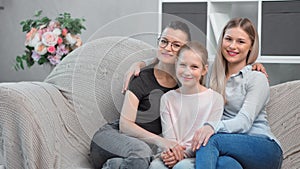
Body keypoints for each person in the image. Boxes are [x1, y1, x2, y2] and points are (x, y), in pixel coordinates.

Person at [89, 21, 191, 169]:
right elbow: (125, 125)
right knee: (141, 152)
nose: (168, 48)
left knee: (139, 159)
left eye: (176, 45)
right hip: (111, 138)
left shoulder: (184, 85)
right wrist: (162, 142)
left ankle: (113, 166)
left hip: (137, 154)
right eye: (164, 41)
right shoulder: (142, 77)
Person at [195, 17, 283, 169]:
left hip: (263, 148)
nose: (232, 46)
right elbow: (175, 69)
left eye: (241, 42)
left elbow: (244, 122)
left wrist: (211, 126)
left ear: (251, 46)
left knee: (209, 140)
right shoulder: (210, 75)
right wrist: (141, 64)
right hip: (229, 149)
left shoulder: (256, 77)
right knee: (225, 164)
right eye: (228, 39)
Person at [149, 41, 225, 169]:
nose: (187, 72)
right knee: (156, 167)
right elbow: (169, 137)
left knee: (182, 167)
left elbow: (206, 138)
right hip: (170, 154)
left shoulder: (215, 99)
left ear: (204, 70)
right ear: (176, 64)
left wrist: (183, 155)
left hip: (195, 156)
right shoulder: (167, 98)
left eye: (194, 67)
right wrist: (173, 153)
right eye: (182, 65)